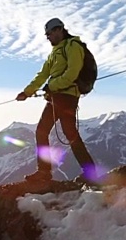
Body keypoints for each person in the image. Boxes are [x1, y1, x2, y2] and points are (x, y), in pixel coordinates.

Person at [16, 18, 98, 184]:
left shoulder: (72, 46)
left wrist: (51, 85)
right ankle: (90, 172)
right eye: (47, 34)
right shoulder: (55, 53)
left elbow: (72, 73)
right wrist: (27, 92)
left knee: (44, 131)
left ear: (60, 29)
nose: (48, 37)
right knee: (68, 133)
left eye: (50, 33)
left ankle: (44, 173)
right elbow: (42, 75)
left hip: (67, 96)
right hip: (57, 97)